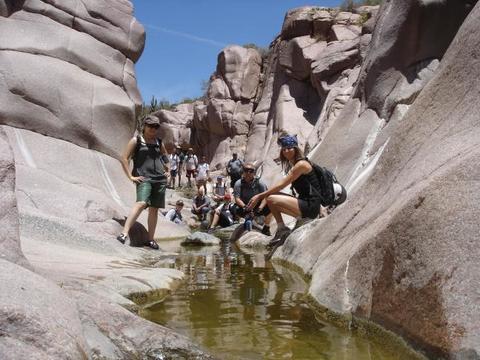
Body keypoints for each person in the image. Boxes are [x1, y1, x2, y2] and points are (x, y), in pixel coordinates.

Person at [247, 134, 322, 249]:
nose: (286, 151)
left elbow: (282, 185)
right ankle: (282, 228)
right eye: (284, 149)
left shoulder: (301, 165)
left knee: (270, 198)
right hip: (305, 204)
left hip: (310, 206)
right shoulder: (295, 164)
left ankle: (286, 226)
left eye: (289, 148)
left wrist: (259, 196)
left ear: (296, 149)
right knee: (270, 198)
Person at [116, 116, 169, 250]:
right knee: (141, 203)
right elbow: (124, 158)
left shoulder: (158, 141)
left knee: (154, 209)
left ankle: (150, 239)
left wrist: (168, 169)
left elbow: (165, 156)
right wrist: (131, 177)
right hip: (144, 178)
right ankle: (124, 233)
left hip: (159, 179)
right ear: (144, 125)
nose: (153, 129)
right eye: (150, 126)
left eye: (156, 127)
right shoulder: (136, 140)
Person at [232, 163, 272, 236]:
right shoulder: (238, 183)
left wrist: (260, 208)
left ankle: (266, 227)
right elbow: (237, 198)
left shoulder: (260, 183)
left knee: (271, 207)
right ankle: (247, 218)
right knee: (234, 208)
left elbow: (265, 197)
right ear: (243, 172)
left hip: (257, 206)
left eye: (251, 171)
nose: (248, 173)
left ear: (254, 172)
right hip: (245, 206)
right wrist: (245, 207)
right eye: (246, 170)